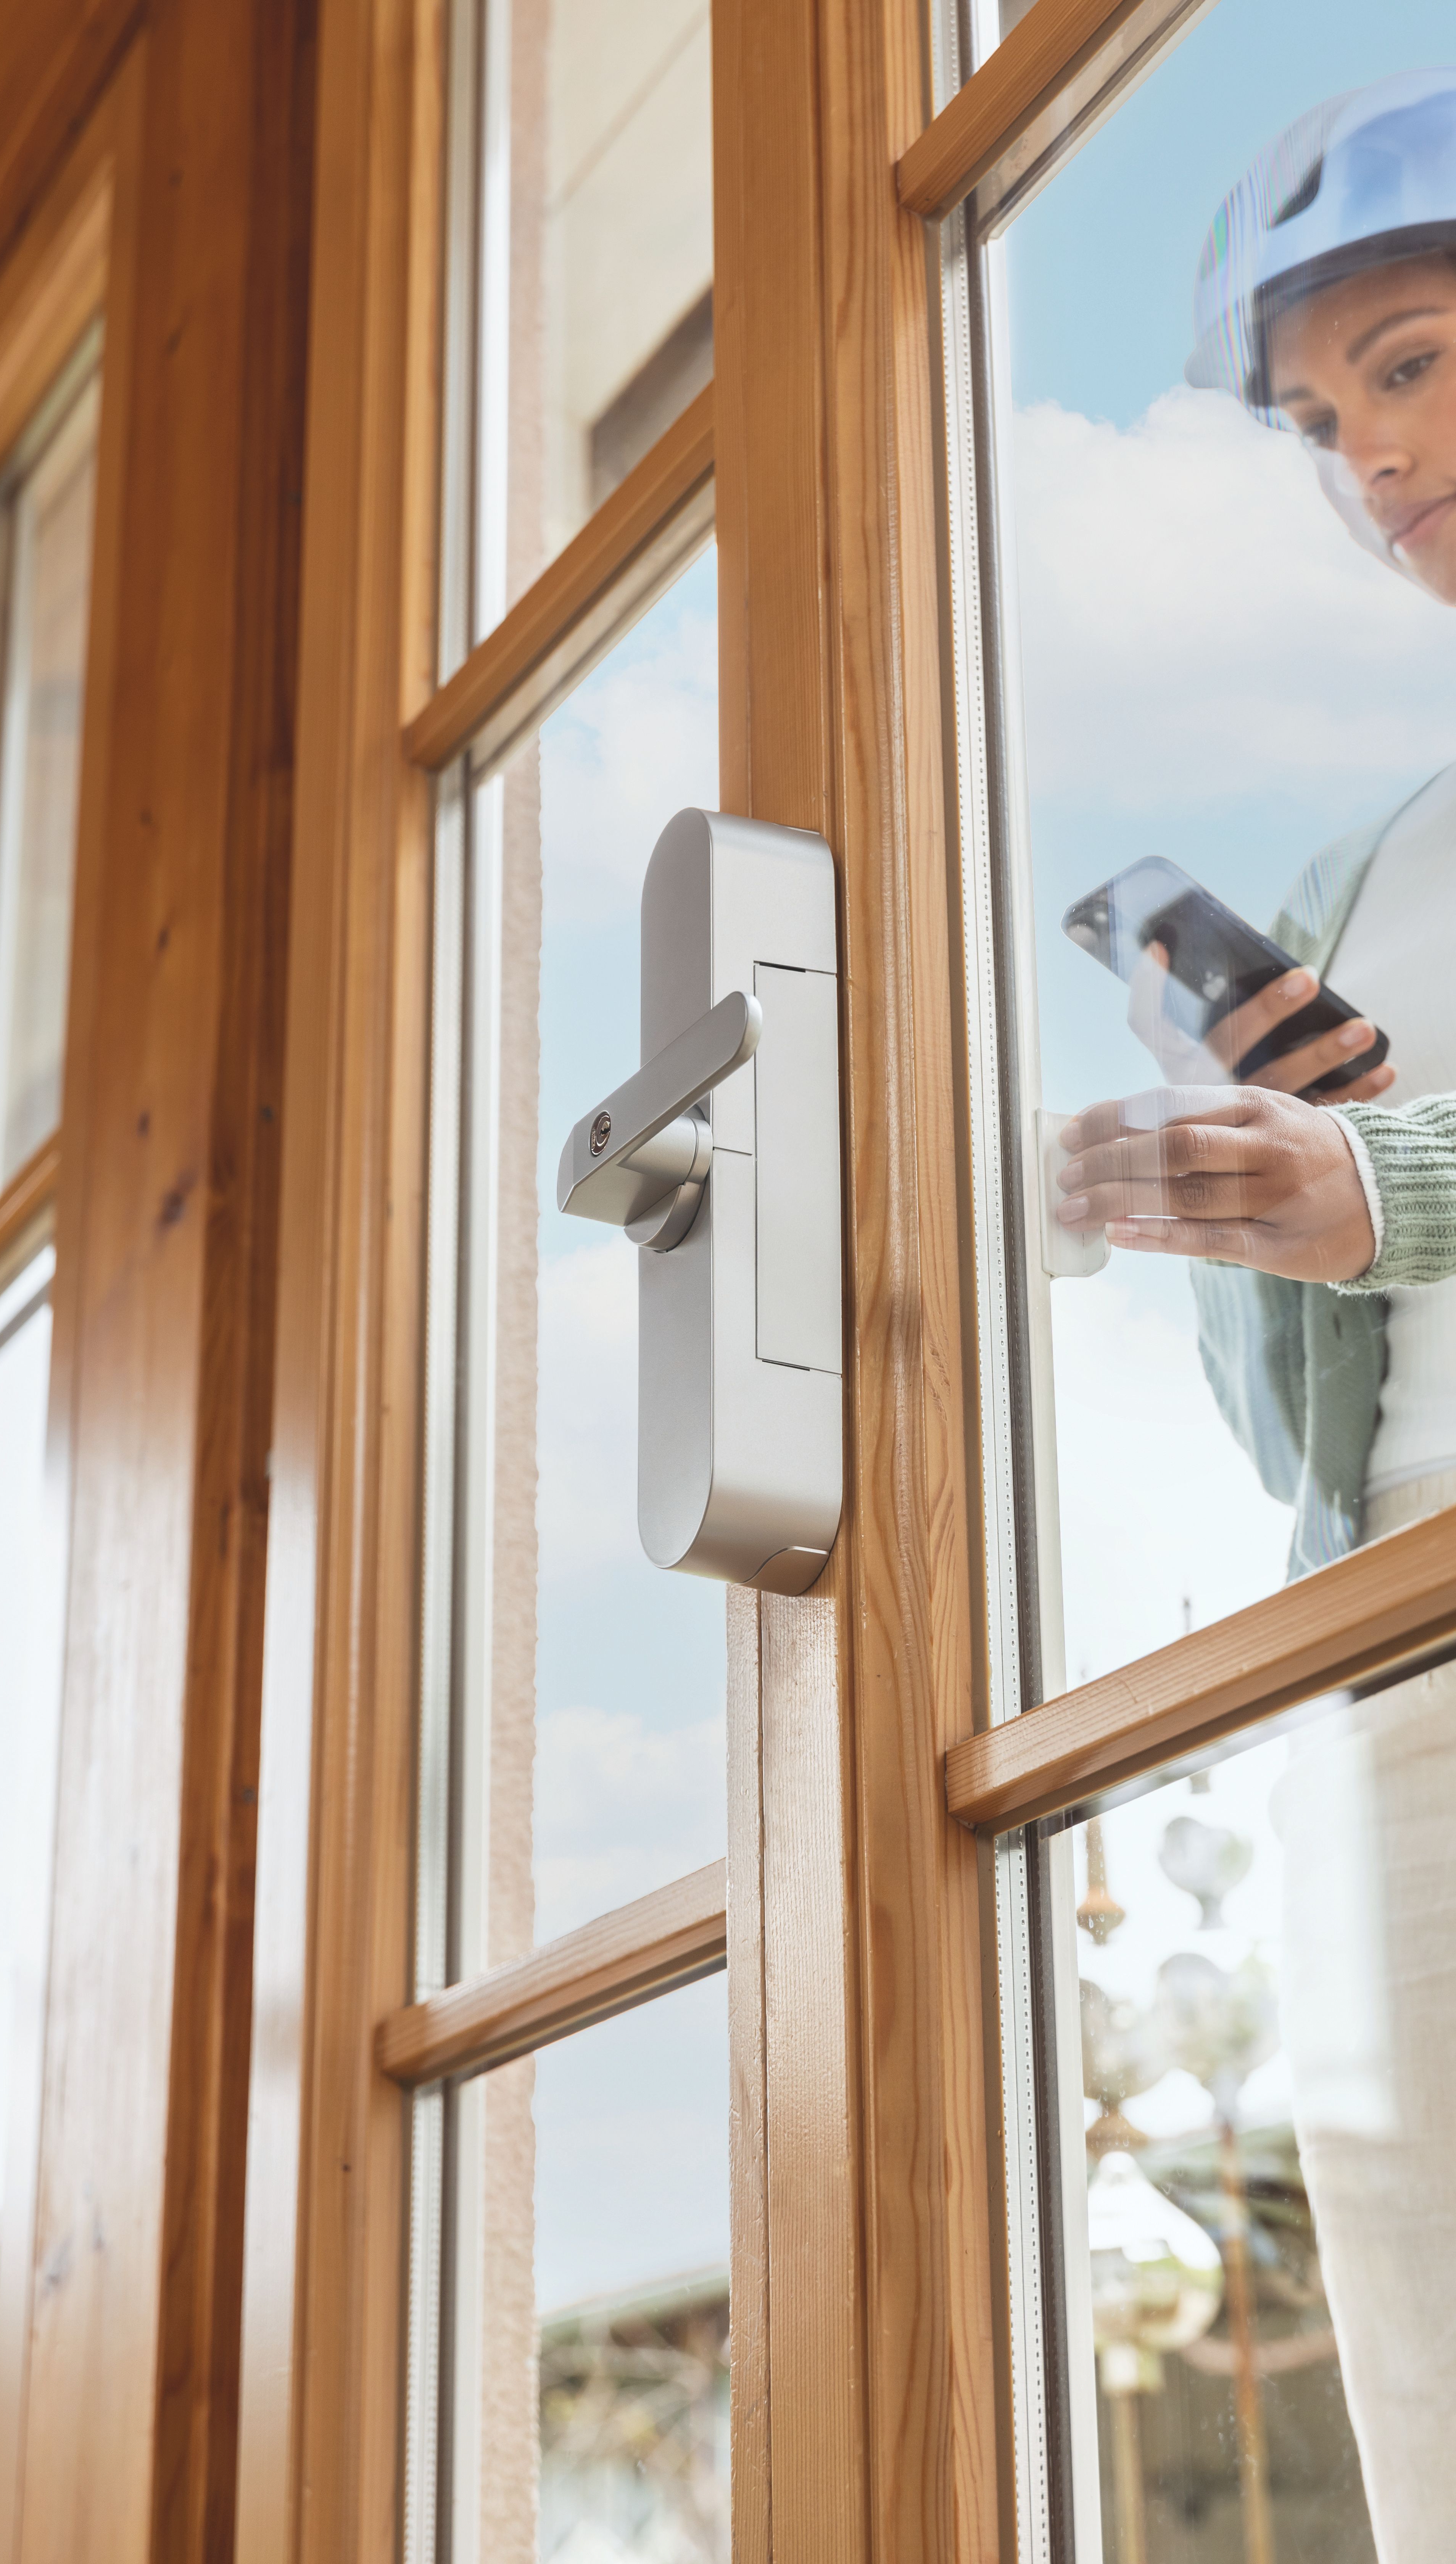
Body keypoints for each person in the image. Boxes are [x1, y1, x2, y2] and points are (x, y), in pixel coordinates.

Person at [1054, 72, 1456, 2564]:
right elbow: (1347, 1364)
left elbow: (1411, 1206)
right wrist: (1233, 1194)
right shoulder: (1373, 862)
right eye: (1324, 424)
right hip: (1401, 1685)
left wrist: (1388, 1179)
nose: (1367, 466)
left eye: (1405, 366)